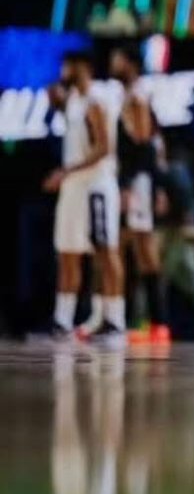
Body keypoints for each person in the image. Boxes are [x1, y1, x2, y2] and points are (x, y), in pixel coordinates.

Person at [43, 51, 126, 346]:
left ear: (83, 67)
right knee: (67, 251)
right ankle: (61, 321)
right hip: (74, 187)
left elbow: (104, 148)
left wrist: (65, 171)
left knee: (105, 250)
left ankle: (115, 320)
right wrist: (56, 102)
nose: (63, 69)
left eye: (69, 64)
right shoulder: (75, 100)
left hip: (96, 185)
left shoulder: (96, 100)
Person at [110, 44, 169, 344]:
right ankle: (150, 322)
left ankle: (156, 323)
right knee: (137, 250)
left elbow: (145, 142)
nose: (113, 63)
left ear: (130, 64)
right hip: (139, 181)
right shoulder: (129, 95)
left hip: (139, 182)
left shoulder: (137, 95)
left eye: (118, 58)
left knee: (143, 251)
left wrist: (133, 184)